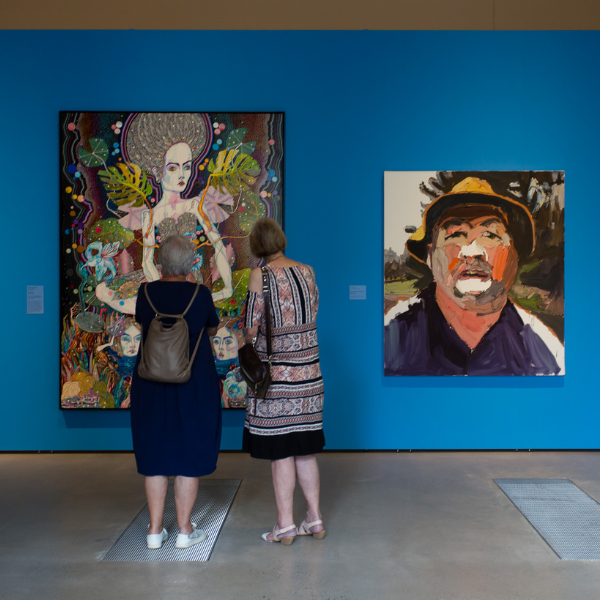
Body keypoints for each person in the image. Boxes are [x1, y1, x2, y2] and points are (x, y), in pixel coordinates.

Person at [384, 177, 565, 376]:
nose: (471, 251)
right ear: (430, 256)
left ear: (515, 258)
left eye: (490, 235)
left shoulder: (546, 351)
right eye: (455, 235)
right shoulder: (390, 339)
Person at [129, 235, 221, 549]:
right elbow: (212, 327)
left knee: (155, 455)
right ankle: (184, 530)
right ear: (191, 263)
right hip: (193, 384)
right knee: (188, 454)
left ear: (160, 263)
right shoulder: (201, 294)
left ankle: (154, 531)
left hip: (151, 384)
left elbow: (144, 323)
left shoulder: (145, 293)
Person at [96, 112, 233, 314]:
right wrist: (161, 292)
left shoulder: (195, 206)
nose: (181, 175)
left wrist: (228, 287)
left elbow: (218, 247)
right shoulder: (150, 216)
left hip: (190, 279)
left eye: (187, 167)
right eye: (172, 168)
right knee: (102, 291)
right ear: (157, 170)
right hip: (161, 280)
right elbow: (147, 262)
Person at [243, 218, 326, 545]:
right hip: (310, 375)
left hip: (276, 380)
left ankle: (285, 525)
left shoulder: (259, 275)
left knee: (281, 453)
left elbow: (251, 327)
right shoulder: (307, 271)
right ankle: (315, 519)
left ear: (258, 246)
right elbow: (314, 312)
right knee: (305, 451)